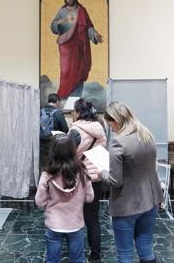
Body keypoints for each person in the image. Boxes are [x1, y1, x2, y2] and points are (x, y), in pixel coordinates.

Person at [85, 101, 164, 263]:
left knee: (125, 253)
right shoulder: (146, 134)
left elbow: (115, 181)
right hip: (151, 201)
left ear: (116, 121)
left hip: (127, 205)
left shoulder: (118, 142)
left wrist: (102, 171)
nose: (111, 129)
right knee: (146, 248)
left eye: (110, 125)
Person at [35, 134, 94, 263]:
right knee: (78, 260)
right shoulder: (83, 172)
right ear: (72, 150)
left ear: (53, 151)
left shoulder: (47, 175)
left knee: (52, 260)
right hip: (75, 224)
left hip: (54, 224)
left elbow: (39, 201)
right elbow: (90, 198)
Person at [68, 98, 107, 263]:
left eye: (74, 111)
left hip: (79, 177)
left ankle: (76, 254)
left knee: (74, 216)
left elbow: (68, 155)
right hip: (96, 177)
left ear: (78, 112)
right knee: (93, 218)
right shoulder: (101, 128)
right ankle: (95, 255)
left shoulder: (75, 131)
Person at [51, 0, 104, 99]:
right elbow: (53, 26)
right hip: (66, 46)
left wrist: (94, 34)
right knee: (66, 71)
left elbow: (88, 26)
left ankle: (75, 99)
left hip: (80, 46)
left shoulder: (82, 10)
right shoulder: (62, 11)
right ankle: (64, 96)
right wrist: (63, 20)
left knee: (79, 71)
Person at [39, 93, 69, 170]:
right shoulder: (58, 113)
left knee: (43, 167)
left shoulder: (40, 112)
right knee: (54, 166)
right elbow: (65, 130)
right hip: (54, 144)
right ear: (57, 102)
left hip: (41, 144)